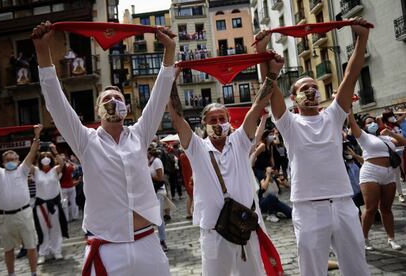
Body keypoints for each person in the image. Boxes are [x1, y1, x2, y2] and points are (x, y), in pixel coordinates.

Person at [32, 21, 176, 275]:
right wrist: (43, 51)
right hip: (107, 249)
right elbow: (55, 102)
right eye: (105, 99)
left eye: (118, 99)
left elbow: (160, 95)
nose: (112, 101)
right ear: (98, 110)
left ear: (127, 109)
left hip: (147, 243)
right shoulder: (85, 140)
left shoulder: (140, 135)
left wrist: (170, 52)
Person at [264, 17, 372, 275]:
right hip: (308, 207)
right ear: (294, 98)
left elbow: (351, 73)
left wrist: (362, 38)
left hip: (344, 204)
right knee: (312, 270)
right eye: (304, 88)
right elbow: (270, 89)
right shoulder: (288, 124)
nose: (311, 90)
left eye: (314, 86)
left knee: (357, 267)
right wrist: (264, 58)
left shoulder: (333, 116)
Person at [167, 47, 284, 275]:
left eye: (222, 118)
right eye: (213, 119)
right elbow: (177, 118)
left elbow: (258, 105)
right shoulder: (197, 148)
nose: (218, 123)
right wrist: (172, 81)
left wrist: (273, 73)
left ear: (229, 121)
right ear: (204, 123)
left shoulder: (240, 141)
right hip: (213, 231)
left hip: (245, 227)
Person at [348, 113, 406, 250]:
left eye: (373, 121)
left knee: (386, 208)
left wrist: (390, 132)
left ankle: (391, 238)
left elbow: (403, 142)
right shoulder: (363, 136)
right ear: (363, 126)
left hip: (389, 173)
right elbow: (351, 123)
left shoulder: (386, 137)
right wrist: (349, 108)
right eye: (368, 122)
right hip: (370, 172)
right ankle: (364, 239)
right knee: (371, 208)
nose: (372, 124)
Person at [0, 125, 41, 276]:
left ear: (18, 160)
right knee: (8, 249)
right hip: (4, 217)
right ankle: (11, 274)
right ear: (3, 162)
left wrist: (37, 135)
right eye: (7, 160)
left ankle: (33, 273)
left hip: (23, 214)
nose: (10, 161)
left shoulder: (22, 169)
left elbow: (32, 152)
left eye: (13, 159)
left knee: (31, 246)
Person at [33, 143, 68, 264]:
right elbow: (28, 163)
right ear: (40, 160)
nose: (45, 159)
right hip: (41, 205)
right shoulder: (36, 171)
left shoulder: (55, 170)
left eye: (47, 157)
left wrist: (55, 151)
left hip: (54, 204)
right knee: (42, 229)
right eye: (43, 157)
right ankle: (43, 252)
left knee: (55, 227)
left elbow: (62, 164)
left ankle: (56, 250)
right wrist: (34, 149)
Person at [148, 147, 168, 252]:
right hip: (150, 192)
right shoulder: (147, 162)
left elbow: (160, 177)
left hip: (158, 191)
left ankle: (162, 240)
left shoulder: (156, 161)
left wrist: (147, 175)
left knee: (159, 217)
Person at [59, 154, 79, 222]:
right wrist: (70, 162)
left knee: (65, 204)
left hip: (63, 187)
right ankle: (75, 216)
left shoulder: (59, 167)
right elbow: (76, 167)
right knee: (73, 202)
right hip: (71, 186)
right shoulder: (69, 166)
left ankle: (66, 218)